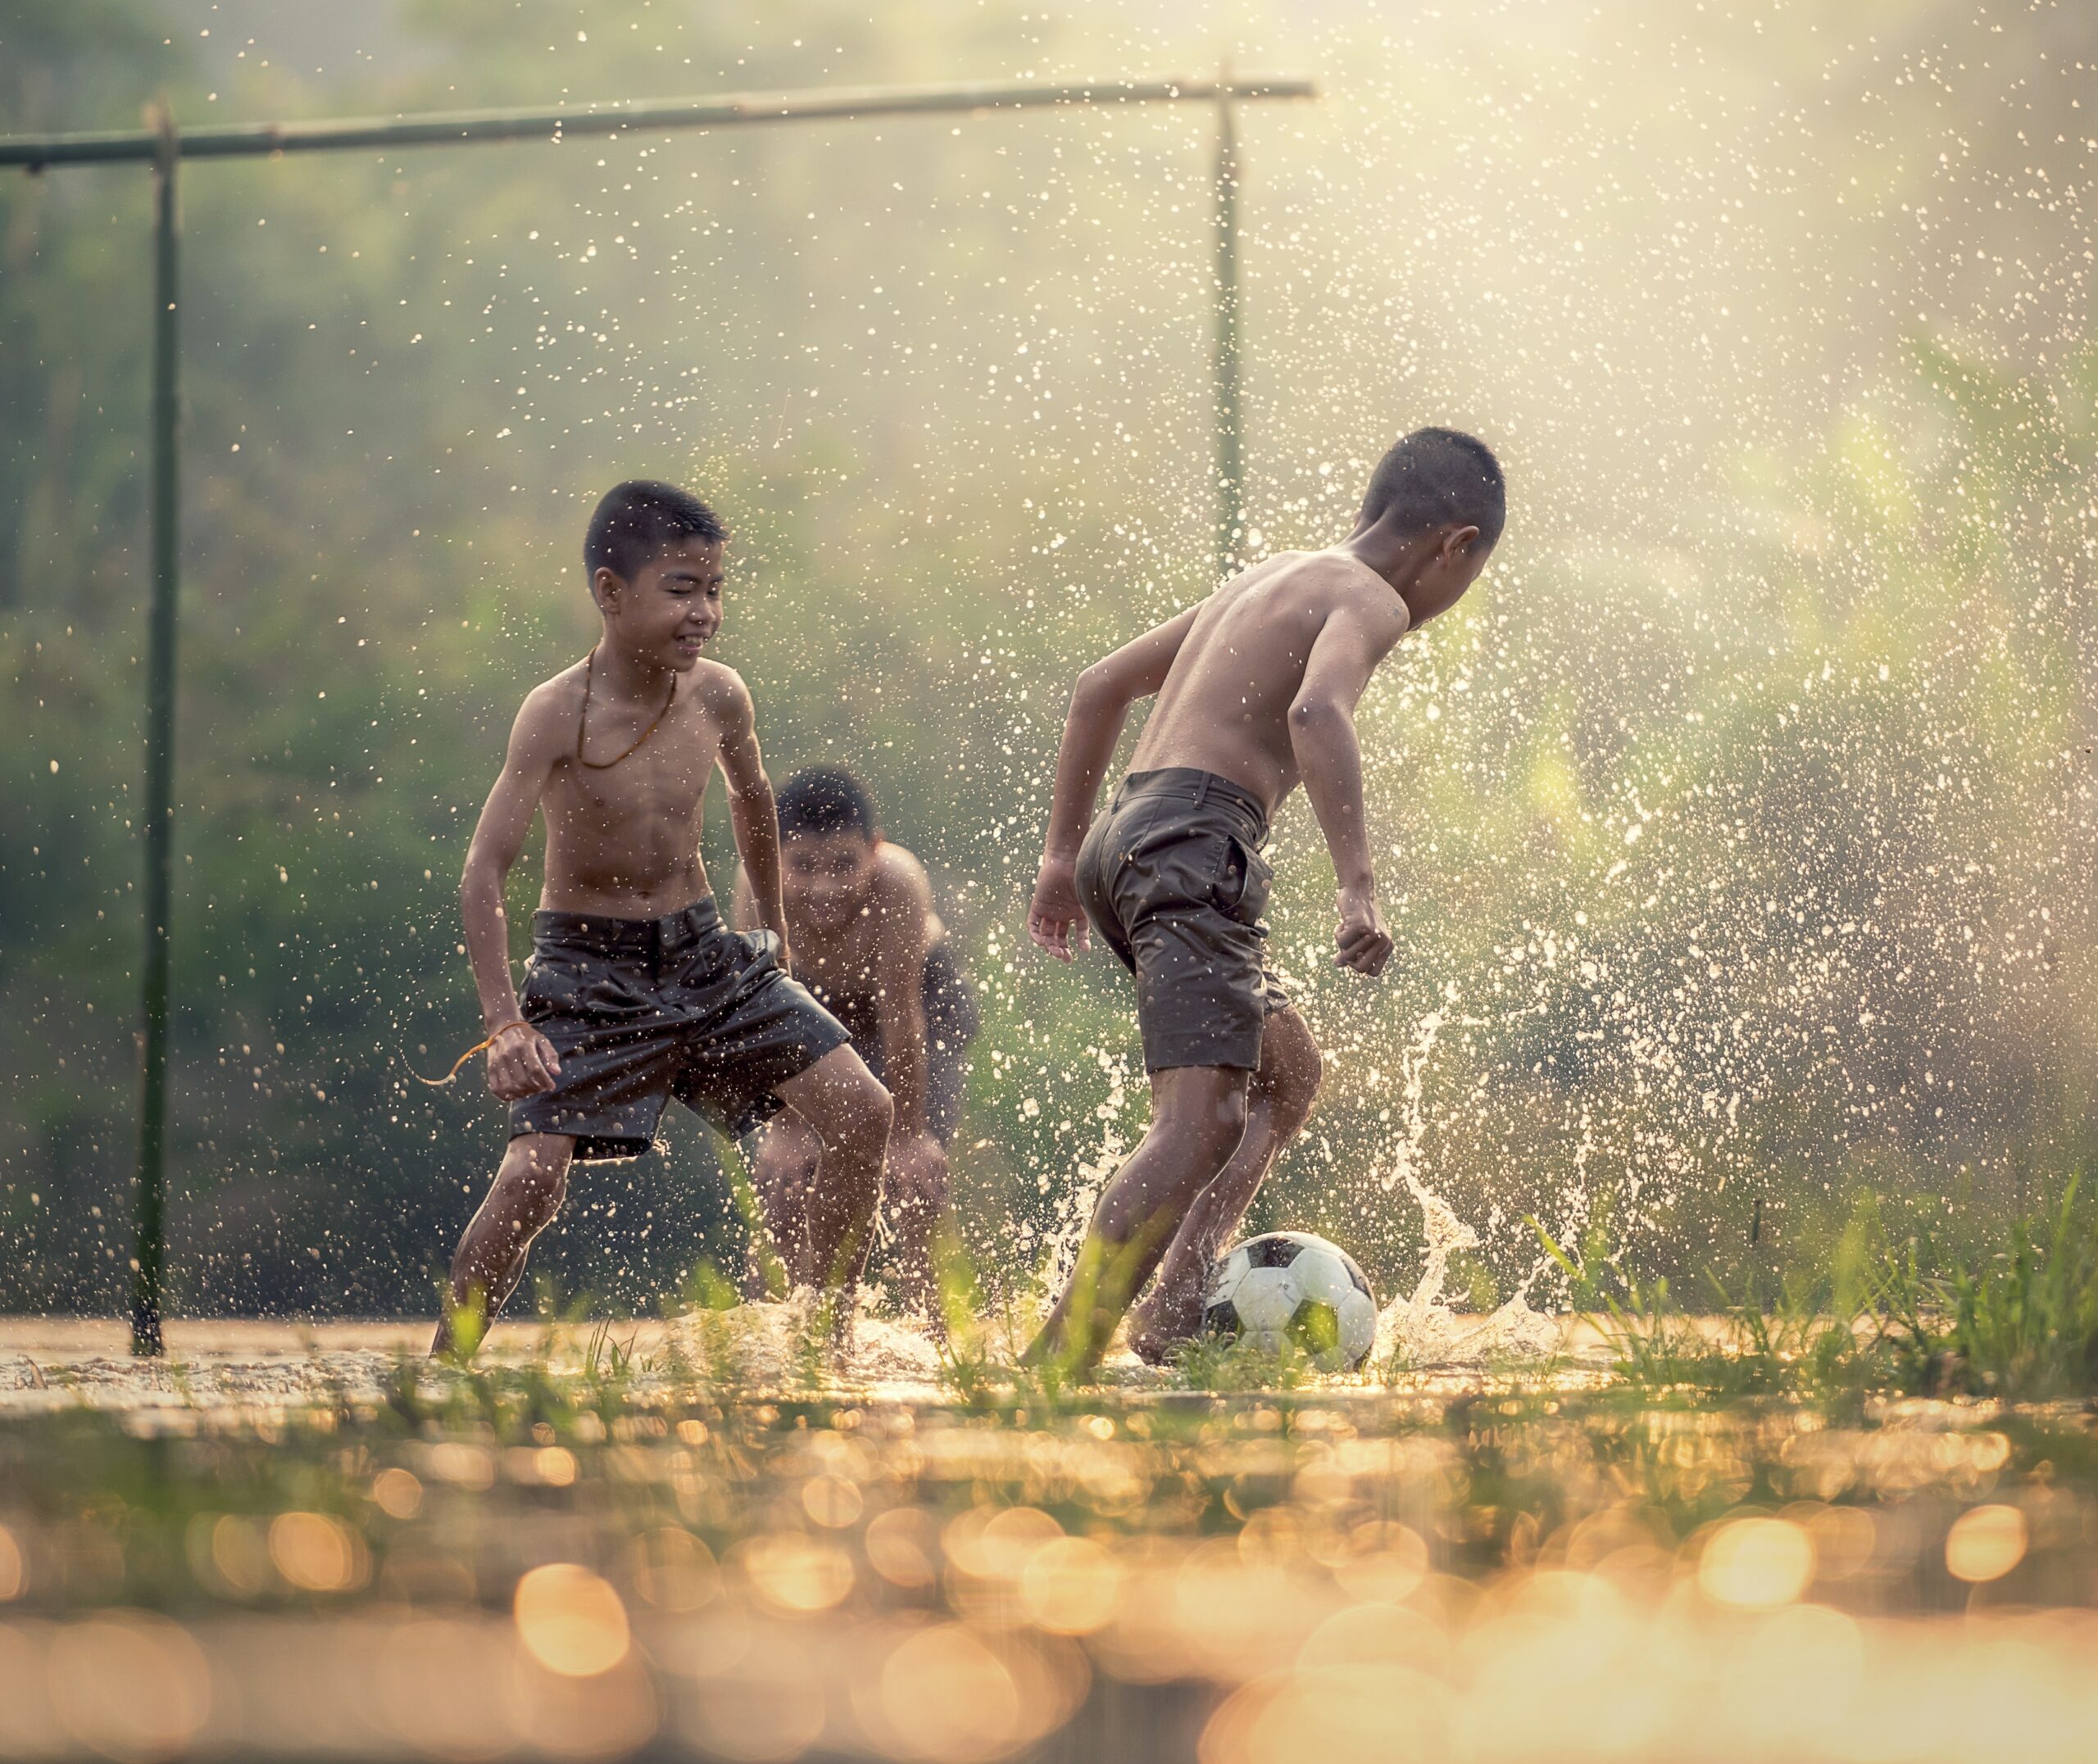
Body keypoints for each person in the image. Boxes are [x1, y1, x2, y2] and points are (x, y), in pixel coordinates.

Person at [1024, 427, 1505, 1373]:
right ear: (1453, 544)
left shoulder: (1277, 575)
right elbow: (1315, 712)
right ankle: (1052, 1367)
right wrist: (1357, 886)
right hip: (1196, 841)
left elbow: (1098, 687)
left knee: (1285, 1074)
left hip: (1128, 837)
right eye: (1469, 571)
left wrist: (1056, 857)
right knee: (1197, 1122)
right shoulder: (1370, 598)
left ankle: (1170, 1308)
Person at [432, 481, 892, 1356]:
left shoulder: (719, 696)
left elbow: (753, 800)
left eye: (715, 589)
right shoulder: (555, 715)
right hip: (585, 969)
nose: (706, 612)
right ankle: (444, 1368)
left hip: (705, 954)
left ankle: (826, 1340)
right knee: (533, 1176)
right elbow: (482, 870)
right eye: (682, 588)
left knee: (865, 1111)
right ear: (611, 592)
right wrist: (504, 1025)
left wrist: (775, 944)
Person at [733, 768, 976, 1313]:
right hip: (803, 1007)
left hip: (915, 1005)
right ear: (775, 857)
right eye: (802, 867)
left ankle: (938, 1331)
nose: (824, 888)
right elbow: (763, 1008)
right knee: (787, 1178)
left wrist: (910, 1135)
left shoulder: (899, 882)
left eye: (845, 865)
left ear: (875, 849)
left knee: (914, 1181)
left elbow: (901, 1012)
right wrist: (785, 1128)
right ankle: (783, 1325)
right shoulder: (756, 885)